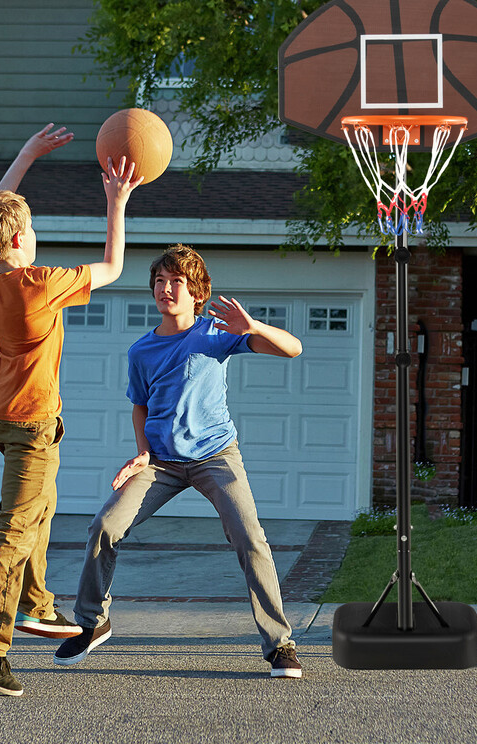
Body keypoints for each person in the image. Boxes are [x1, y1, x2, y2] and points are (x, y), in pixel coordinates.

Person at [0, 124, 143, 696]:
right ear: (14, 241)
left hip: (3, 415)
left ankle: (34, 603)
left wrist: (27, 154)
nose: (36, 233)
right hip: (32, 422)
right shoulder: (40, 284)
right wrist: (116, 202)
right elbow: (112, 267)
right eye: (30, 228)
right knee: (16, 527)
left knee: (41, 508)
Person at [53, 244, 304, 679]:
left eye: (177, 282)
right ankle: (93, 622)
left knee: (250, 538)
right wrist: (141, 451)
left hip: (215, 457)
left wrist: (254, 326)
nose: (166, 289)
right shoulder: (141, 351)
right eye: (159, 281)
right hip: (161, 464)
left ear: (196, 291)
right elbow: (140, 405)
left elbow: (293, 349)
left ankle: (279, 644)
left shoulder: (215, 333)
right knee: (105, 526)